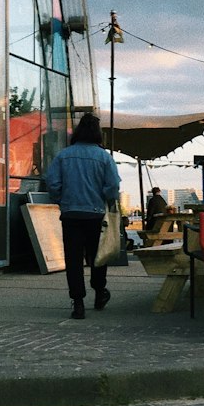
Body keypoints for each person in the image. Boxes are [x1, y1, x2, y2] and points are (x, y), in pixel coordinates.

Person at [44, 112, 121, 320]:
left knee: (73, 259)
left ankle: (78, 303)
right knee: (98, 257)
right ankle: (99, 292)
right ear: (98, 133)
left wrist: (62, 199)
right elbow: (113, 186)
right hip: (95, 215)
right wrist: (106, 199)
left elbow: (52, 183)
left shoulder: (63, 155)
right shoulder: (105, 157)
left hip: (71, 214)